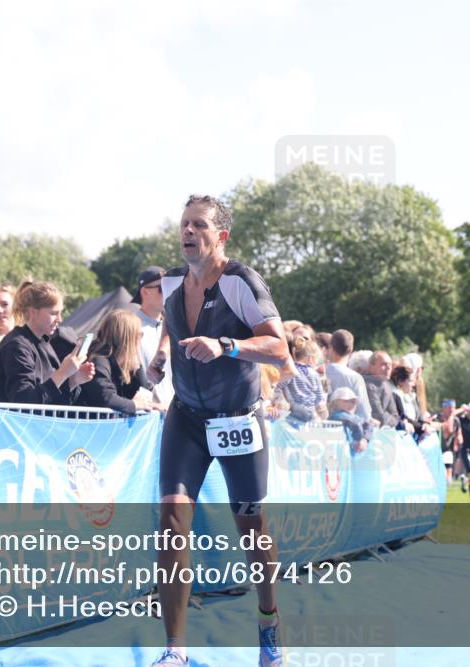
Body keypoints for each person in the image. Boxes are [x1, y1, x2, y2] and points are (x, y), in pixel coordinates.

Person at [144, 195, 291, 667]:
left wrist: (225, 344)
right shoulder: (170, 281)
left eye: (200, 225)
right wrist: (162, 355)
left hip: (237, 417)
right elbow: (171, 320)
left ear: (220, 235)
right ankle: (175, 650)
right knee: (171, 523)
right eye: (184, 224)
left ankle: (268, 621)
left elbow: (279, 350)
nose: (189, 231)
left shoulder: (240, 281)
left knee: (252, 528)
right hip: (186, 415)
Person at [0, 280, 95, 404]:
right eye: (53, 313)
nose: (60, 319)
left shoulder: (44, 343)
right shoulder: (16, 346)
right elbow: (23, 401)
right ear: (33, 312)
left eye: (60, 313)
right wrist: (62, 373)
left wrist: (74, 380)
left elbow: (51, 400)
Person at [79, 309, 162, 414]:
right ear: (127, 337)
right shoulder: (98, 360)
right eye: (139, 334)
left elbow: (145, 393)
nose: (141, 338)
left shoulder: (124, 362)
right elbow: (106, 398)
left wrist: (138, 365)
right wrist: (135, 405)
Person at [131, 266, 174, 408]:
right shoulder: (131, 328)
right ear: (145, 292)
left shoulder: (175, 327)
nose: (168, 292)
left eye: (170, 287)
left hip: (175, 415)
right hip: (146, 416)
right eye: (162, 288)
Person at [324, 329, 373, 422]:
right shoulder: (355, 377)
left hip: (322, 428)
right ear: (351, 350)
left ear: (331, 348)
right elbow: (364, 414)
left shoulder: (320, 372)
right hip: (348, 429)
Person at [277, 338, 326, 424]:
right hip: (310, 409)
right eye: (317, 360)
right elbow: (319, 396)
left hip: (294, 409)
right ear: (310, 359)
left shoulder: (291, 371)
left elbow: (279, 385)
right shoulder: (314, 374)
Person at [391, 364, 433, 440]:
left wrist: (425, 424)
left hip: (415, 435)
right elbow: (403, 417)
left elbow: (418, 416)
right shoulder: (396, 396)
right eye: (410, 381)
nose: (413, 384)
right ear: (401, 382)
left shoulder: (412, 396)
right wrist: (421, 428)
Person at [328, 387, 372, 454]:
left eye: (353, 401)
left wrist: (365, 439)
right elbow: (355, 422)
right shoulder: (336, 416)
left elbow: (368, 425)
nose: (350, 404)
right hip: (339, 454)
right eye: (346, 401)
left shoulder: (355, 418)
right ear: (335, 403)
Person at [362, 351, 400, 427]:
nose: (389, 368)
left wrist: (388, 418)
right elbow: (378, 416)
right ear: (371, 367)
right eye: (384, 364)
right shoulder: (366, 385)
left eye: (390, 365)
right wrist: (388, 417)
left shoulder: (386, 386)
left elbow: (395, 416)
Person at [436, 399, 462, 483]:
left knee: (448, 469)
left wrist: (459, 438)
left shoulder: (456, 420)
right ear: (444, 408)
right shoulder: (438, 418)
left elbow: (458, 432)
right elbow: (447, 429)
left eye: (453, 408)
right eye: (450, 407)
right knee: (439, 470)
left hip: (448, 448)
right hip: (437, 448)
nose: (452, 410)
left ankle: (447, 486)